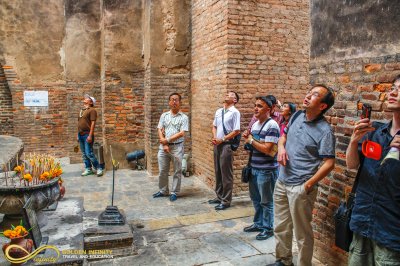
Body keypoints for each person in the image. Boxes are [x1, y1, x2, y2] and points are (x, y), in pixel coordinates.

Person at [268, 85, 336, 266]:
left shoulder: (325, 131)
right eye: (309, 92)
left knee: (302, 233)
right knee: (281, 226)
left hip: (300, 186)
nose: (307, 96)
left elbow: (329, 162)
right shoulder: (297, 115)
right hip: (282, 181)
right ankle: (283, 260)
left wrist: (308, 185)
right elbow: (283, 136)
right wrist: (281, 148)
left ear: (322, 106)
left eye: (314, 95)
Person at [345, 76, 400, 265]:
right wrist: (354, 141)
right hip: (362, 220)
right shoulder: (375, 132)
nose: (393, 92)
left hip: (392, 231)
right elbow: (352, 165)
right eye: (393, 87)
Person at [243, 96, 280, 240]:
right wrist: (248, 140)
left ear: (269, 110)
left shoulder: (272, 125)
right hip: (254, 167)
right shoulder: (256, 124)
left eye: (260, 106)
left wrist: (251, 140)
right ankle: (258, 223)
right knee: (256, 199)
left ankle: (268, 228)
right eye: (255, 105)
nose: (255, 108)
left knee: (266, 201)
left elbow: (267, 149)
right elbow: (252, 147)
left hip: (266, 169)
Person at [152, 93, 189, 202]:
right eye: (172, 100)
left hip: (177, 147)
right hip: (163, 148)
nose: (174, 102)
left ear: (180, 102)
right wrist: (164, 144)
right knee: (162, 170)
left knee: (177, 170)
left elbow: (182, 133)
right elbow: (159, 129)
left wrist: (167, 140)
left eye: (176, 100)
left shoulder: (184, 117)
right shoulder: (164, 115)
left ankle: (174, 192)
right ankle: (163, 190)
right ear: (169, 102)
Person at [208, 91, 241, 210]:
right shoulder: (219, 111)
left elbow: (236, 130)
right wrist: (215, 137)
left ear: (235, 100)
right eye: (227, 93)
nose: (227, 94)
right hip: (217, 144)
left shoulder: (235, 112)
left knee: (226, 173)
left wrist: (222, 139)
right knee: (218, 171)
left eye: (231, 94)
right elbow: (214, 126)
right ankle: (219, 196)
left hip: (226, 145)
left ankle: (226, 200)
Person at [77, 94, 104, 177]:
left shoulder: (92, 110)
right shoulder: (82, 110)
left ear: (91, 102)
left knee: (89, 153)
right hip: (80, 134)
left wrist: (90, 135)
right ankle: (88, 169)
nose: (85, 98)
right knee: (84, 154)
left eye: (87, 98)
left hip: (87, 134)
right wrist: (77, 135)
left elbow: (93, 123)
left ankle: (99, 168)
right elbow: (79, 123)